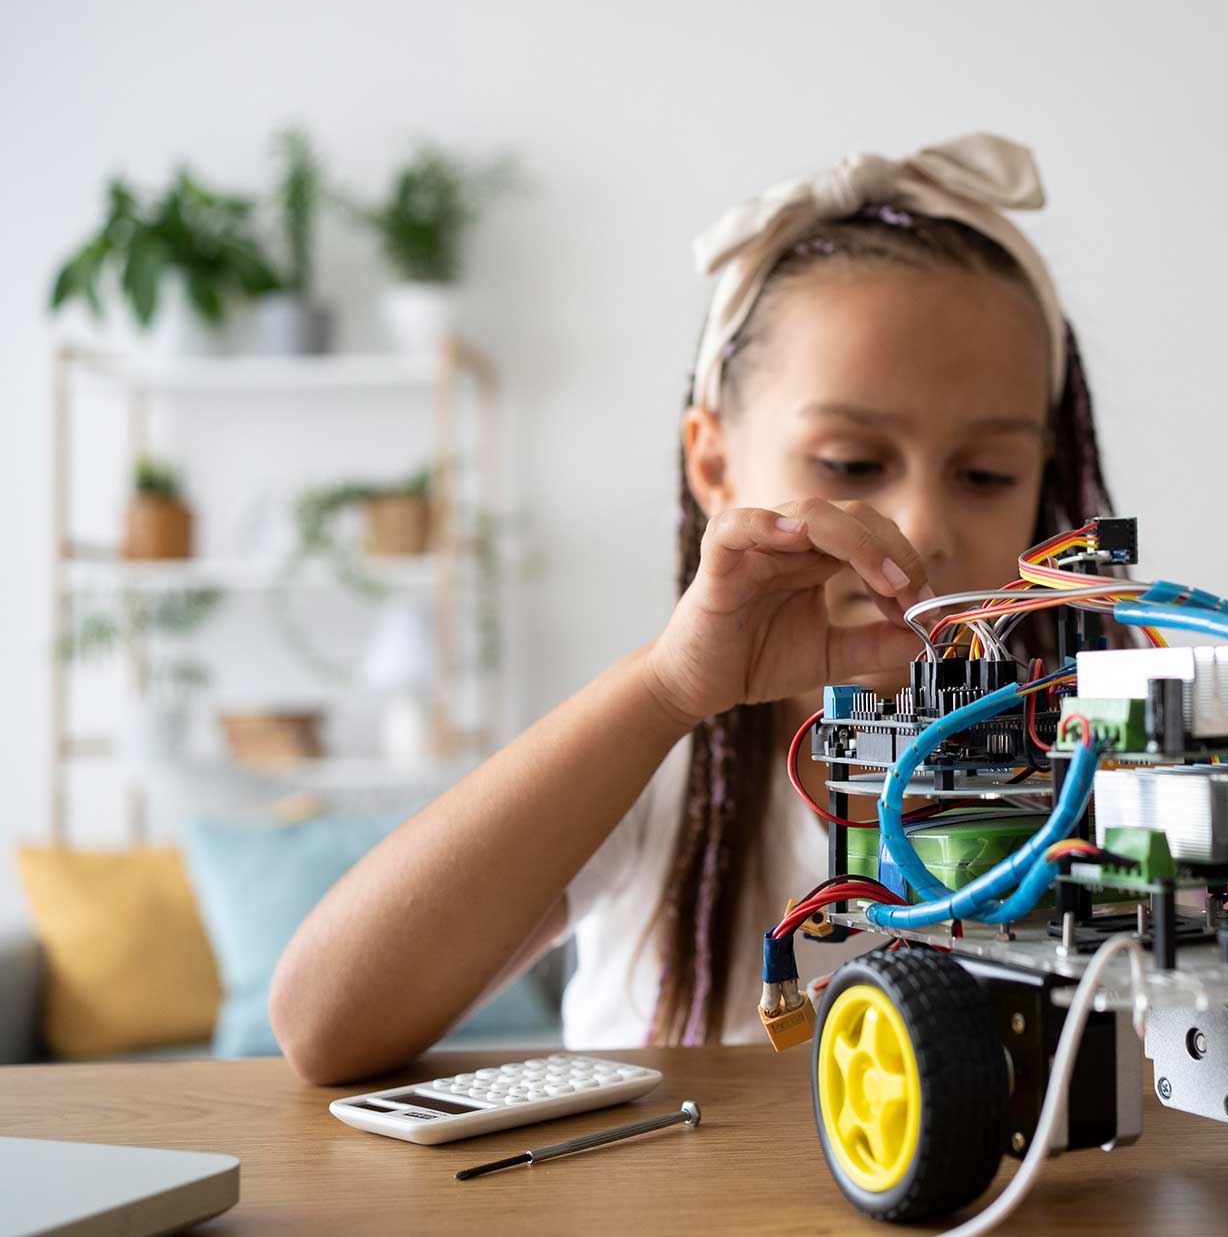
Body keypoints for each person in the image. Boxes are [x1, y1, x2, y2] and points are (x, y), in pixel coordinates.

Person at [270, 133, 1120, 1082]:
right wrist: (667, 690)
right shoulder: (663, 769)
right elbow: (321, 1023)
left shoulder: (1100, 770)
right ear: (712, 461)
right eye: (851, 464)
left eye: (987, 473)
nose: (921, 526)